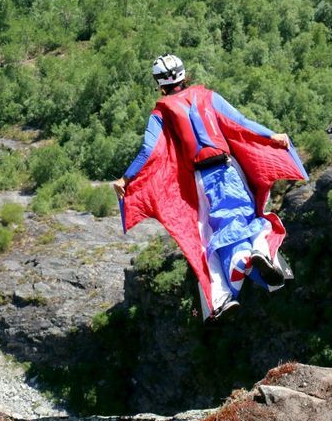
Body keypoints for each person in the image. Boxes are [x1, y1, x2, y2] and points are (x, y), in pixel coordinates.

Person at [114, 54, 309, 321]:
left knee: (214, 232)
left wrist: (126, 179)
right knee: (250, 216)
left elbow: (149, 150)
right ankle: (259, 251)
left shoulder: (161, 112)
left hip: (202, 180)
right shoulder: (207, 96)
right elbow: (240, 122)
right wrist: (270, 135)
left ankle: (233, 275)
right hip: (229, 170)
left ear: (159, 84)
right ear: (184, 75)